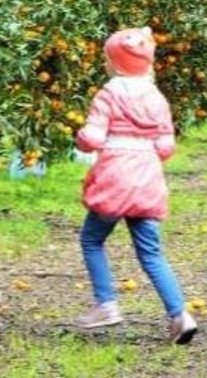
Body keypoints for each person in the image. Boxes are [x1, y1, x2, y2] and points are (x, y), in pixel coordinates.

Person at [73, 27, 197, 345]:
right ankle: (180, 315)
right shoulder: (156, 98)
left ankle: (106, 303)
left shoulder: (108, 94)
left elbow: (94, 137)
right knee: (151, 252)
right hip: (146, 178)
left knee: (91, 239)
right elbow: (166, 146)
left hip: (115, 177)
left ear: (114, 64)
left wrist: (82, 139)